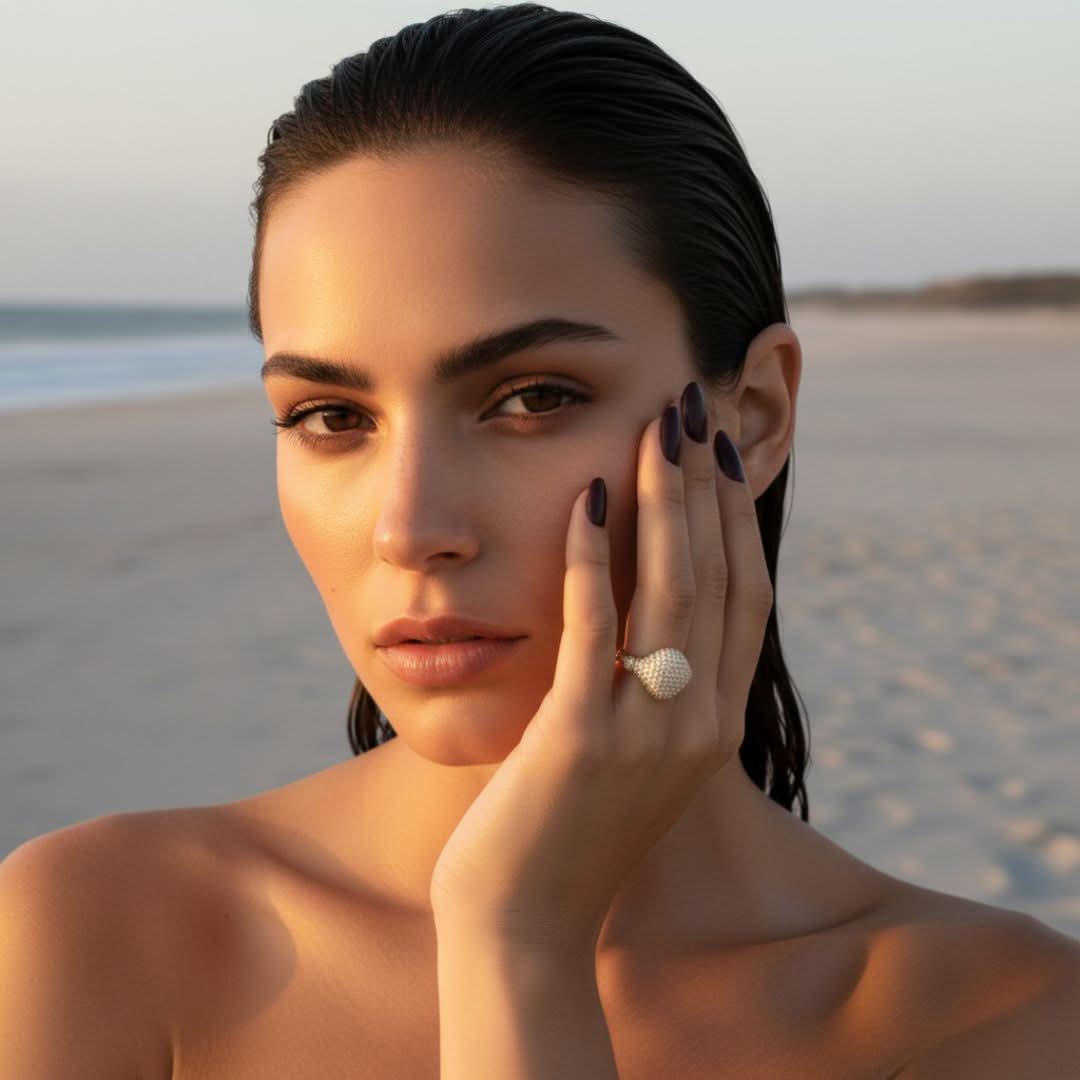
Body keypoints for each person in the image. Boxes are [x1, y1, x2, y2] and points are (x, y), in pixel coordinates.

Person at [2, 4, 1078, 1077]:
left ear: (752, 415)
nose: (409, 530)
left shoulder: (1001, 1016)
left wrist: (515, 938)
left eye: (532, 397)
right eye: (331, 416)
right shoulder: (89, 932)